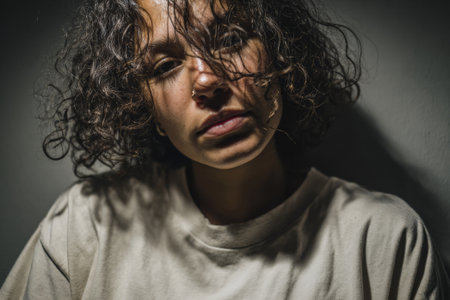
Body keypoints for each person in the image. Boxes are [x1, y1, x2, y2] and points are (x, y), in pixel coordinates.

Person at [1, 0, 448, 299]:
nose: (206, 79)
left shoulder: (386, 243)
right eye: (166, 65)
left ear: (278, 51)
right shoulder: (85, 227)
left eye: (231, 38)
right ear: (142, 105)